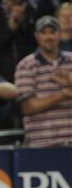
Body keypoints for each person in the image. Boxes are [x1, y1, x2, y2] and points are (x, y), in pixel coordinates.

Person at [14, 15, 72, 147]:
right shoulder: (26, 65)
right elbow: (28, 107)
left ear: (60, 35)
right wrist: (63, 94)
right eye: (44, 33)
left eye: (52, 32)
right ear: (36, 36)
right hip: (42, 145)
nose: (48, 37)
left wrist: (69, 80)